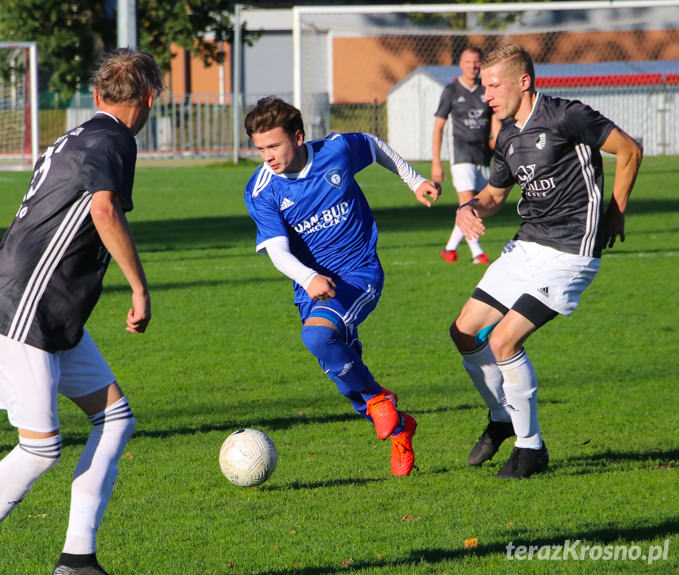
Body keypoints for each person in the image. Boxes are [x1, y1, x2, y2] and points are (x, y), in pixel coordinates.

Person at [0, 48, 162, 575]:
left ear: (100, 95)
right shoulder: (112, 140)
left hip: (50, 310)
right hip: (26, 310)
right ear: (150, 99)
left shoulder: (80, 134)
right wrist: (139, 288)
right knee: (40, 449)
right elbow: (103, 209)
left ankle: (77, 559)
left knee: (114, 419)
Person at [450, 45, 642, 479]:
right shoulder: (507, 137)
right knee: (463, 330)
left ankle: (531, 448)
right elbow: (495, 196)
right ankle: (502, 417)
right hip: (528, 246)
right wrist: (469, 209)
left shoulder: (566, 115)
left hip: (571, 251)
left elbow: (629, 150)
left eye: (494, 85)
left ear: (524, 81)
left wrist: (616, 210)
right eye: (483, 86)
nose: (487, 95)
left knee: (503, 341)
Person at [243, 97, 441, 477]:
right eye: (260, 148)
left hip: (358, 272)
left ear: (298, 137)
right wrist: (308, 277)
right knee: (340, 367)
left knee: (318, 339)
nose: (267, 155)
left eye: (274, 145)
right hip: (313, 287)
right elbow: (278, 252)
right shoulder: (261, 190)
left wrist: (413, 181)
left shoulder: (336, 151)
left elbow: (374, 145)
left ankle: (379, 399)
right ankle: (399, 427)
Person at [432, 46, 500, 265]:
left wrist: (498, 145)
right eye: (469, 62)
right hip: (461, 155)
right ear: (461, 64)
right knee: (467, 203)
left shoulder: (486, 90)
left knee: (476, 206)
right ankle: (477, 253)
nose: (473, 66)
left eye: (477, 62)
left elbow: (495, 121)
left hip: (483, 157)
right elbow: (438, 128)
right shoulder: (451, 91)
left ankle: (449, 249)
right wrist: (436, 163)